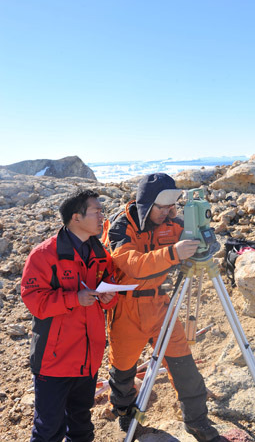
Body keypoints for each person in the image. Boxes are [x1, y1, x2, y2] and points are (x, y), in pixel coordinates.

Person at [103, 173, 221, 442]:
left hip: (160, 304)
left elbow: (197, 236)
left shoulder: (173, 222)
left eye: (172, 207)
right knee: (122, 371)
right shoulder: (122, 226)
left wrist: (204, 239)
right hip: (127, 308)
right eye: (162, 207)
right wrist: (174, 254)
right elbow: (132, 264)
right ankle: (126, 417)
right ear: (146, 204)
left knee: (183, 363)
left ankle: (197, 420)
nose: (169, 213)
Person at [21, 189, 118, 442]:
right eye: (97, 211)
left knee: (81, 426)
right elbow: (35, 302)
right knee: (48, 430)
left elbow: (109, 283)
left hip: (88, 358)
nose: (101, 217)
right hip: (55, 361)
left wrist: (109, 297)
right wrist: (73, 299)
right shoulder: (44, 255)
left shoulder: (100, 254)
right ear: (76, 217)